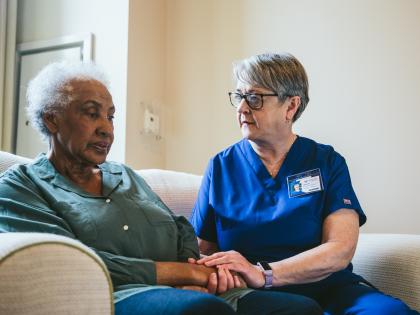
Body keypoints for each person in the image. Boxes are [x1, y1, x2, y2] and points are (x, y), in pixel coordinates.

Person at [0, 61, 322, 315]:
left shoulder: (125, 176)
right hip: (118, 295)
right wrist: (182, 276)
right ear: (52, 119)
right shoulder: (22, 186)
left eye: (111, 117)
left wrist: (196, 274)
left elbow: (180, 231)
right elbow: (72, 262)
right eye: (91, 113)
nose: (106, 129)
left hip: (190, 291)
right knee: (200, 311)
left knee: (299, 308)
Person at [190, 53, 419, 315]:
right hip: (256, 298)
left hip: (331, 289)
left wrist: (262, 273)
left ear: (291, 106)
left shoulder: (326, 162)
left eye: (254, 98)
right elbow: (203, 251)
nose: (242, 108)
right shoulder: (220, 167)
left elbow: (340, 249)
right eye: (239, 97)